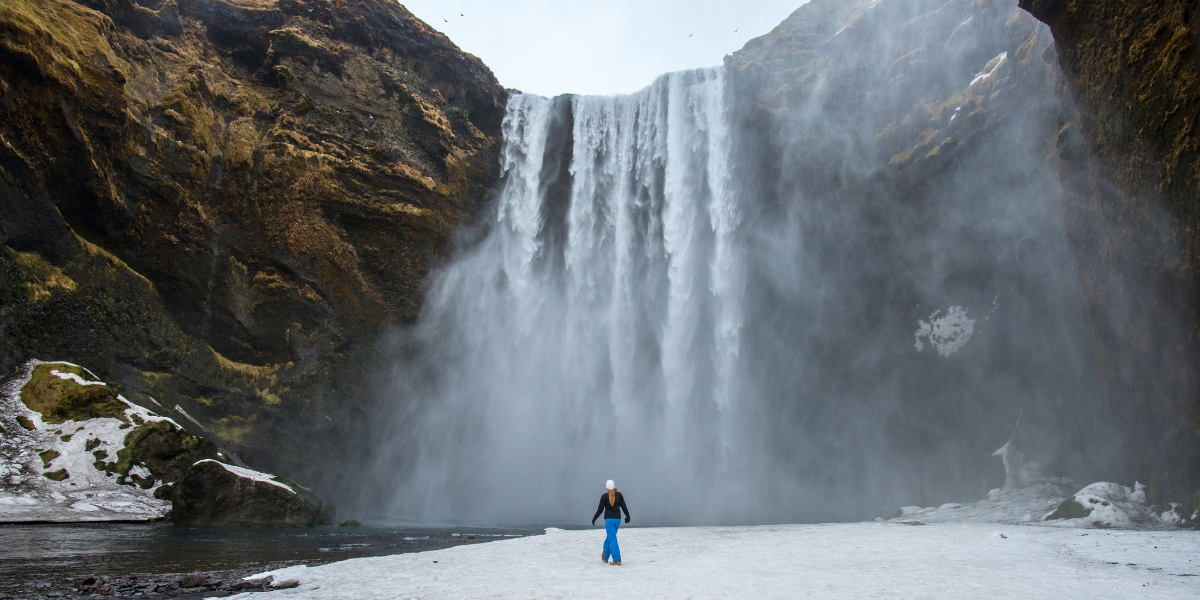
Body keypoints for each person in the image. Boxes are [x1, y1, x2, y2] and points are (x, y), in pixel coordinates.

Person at [591, 479, 630, 565]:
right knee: (610, 538)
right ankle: (605, 557)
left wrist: (594, 518)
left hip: (609, 520)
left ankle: (617, 560)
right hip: (617, 520)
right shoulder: (619, 495)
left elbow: (600, 510)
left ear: (606, 487)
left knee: (612, 539)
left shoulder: (604, 496)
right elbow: (624, 506)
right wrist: (628, 516)